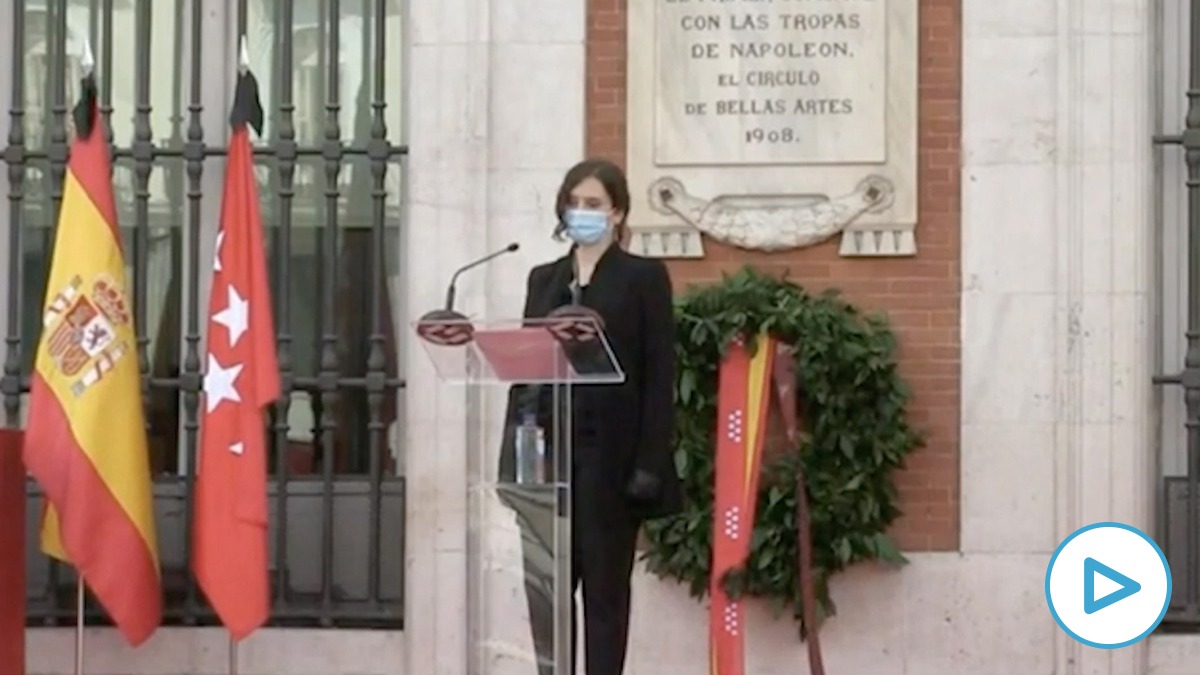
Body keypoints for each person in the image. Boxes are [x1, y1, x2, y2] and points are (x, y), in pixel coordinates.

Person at [498, 158, 683, 675]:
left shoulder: (643, 278)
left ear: (618, 212)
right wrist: (510, 466)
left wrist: (649, 462)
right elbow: (524, 372)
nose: (582, 213)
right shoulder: (545, 279)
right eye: (574, 203)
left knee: (603, 598)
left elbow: (657, 373)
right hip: (544, 463)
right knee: (546, 597)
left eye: (594, 205)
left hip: (609, 464)